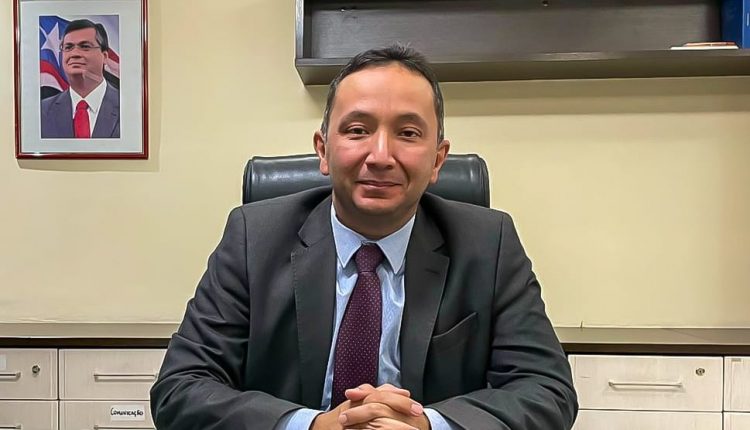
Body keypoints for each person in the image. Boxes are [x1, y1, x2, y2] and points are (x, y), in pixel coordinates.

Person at [150, 45, 578, 429]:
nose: (381, 155)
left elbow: (547, 390)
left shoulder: (489, 243)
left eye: (408, 133)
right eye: (357, 130)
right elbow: (181, 387)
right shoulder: (253, 238)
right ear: (323, 150)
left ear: (437, 160)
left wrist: (427, 424)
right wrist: (310, 426)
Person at [40, 19, 120, 139]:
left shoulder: (128, 107)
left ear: (104, 56)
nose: (75, 54)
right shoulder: (42, 111)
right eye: (68, 47)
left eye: (85, 46)